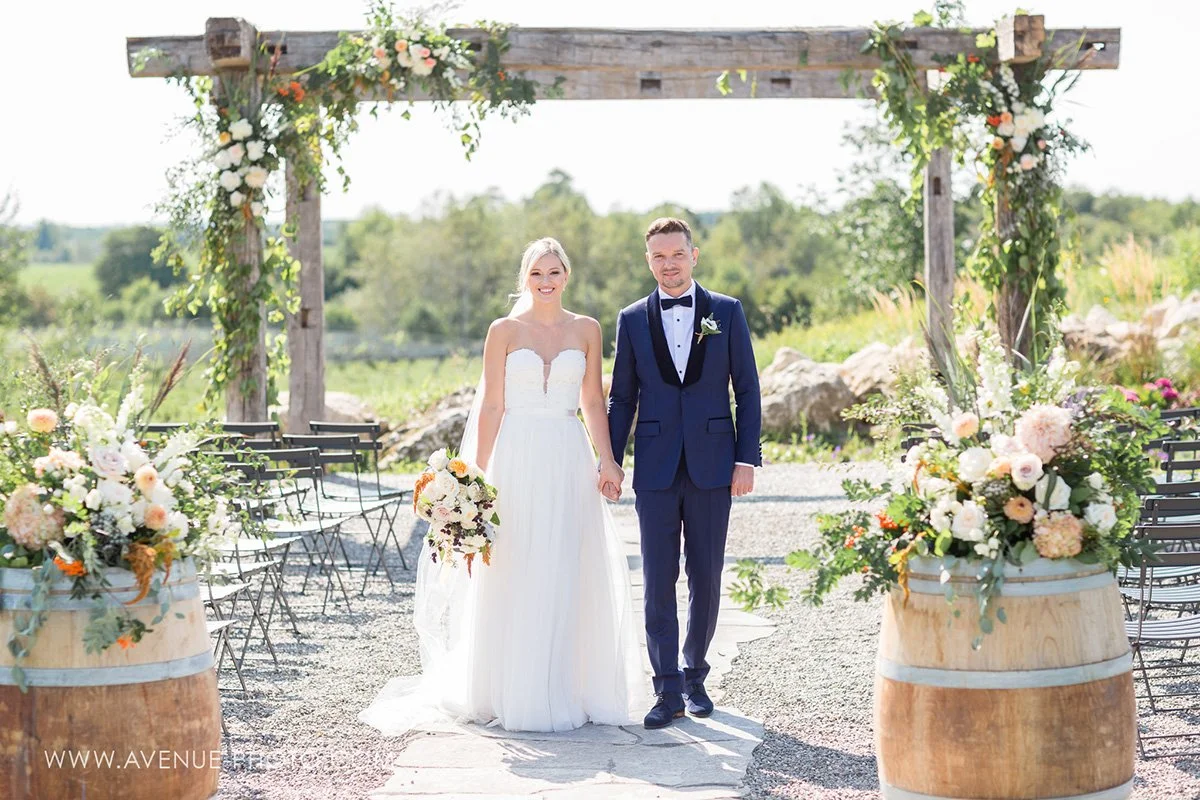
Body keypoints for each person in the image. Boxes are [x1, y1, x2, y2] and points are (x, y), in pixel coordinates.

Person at [360, 237, 644, 734]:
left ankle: (566, 686)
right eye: (537, 274)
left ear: (567, 275)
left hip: (566, 455)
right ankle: (504, 687)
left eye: (554, 272)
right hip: (515, 455)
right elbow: (491, 405)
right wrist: (471, 478)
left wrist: (608, 461)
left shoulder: (588, 329)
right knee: (514, 564)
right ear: (525, 279)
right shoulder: (504, 331)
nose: (546, 281)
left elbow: (594, 403)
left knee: (564, 562)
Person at [607, 217, 762, 729]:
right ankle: (666, 688)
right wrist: (610, 460)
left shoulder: (727, 312)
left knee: (707, 577)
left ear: (694, 255)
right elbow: (622, 396)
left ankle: (695, 673)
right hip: (653, 468)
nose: (668, 264)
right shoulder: (630, 319)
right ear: (647, 260)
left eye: (677, 254)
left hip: (714, 465)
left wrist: (746, 458)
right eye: (658, 256)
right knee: (656, 580)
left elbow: (748, 389)